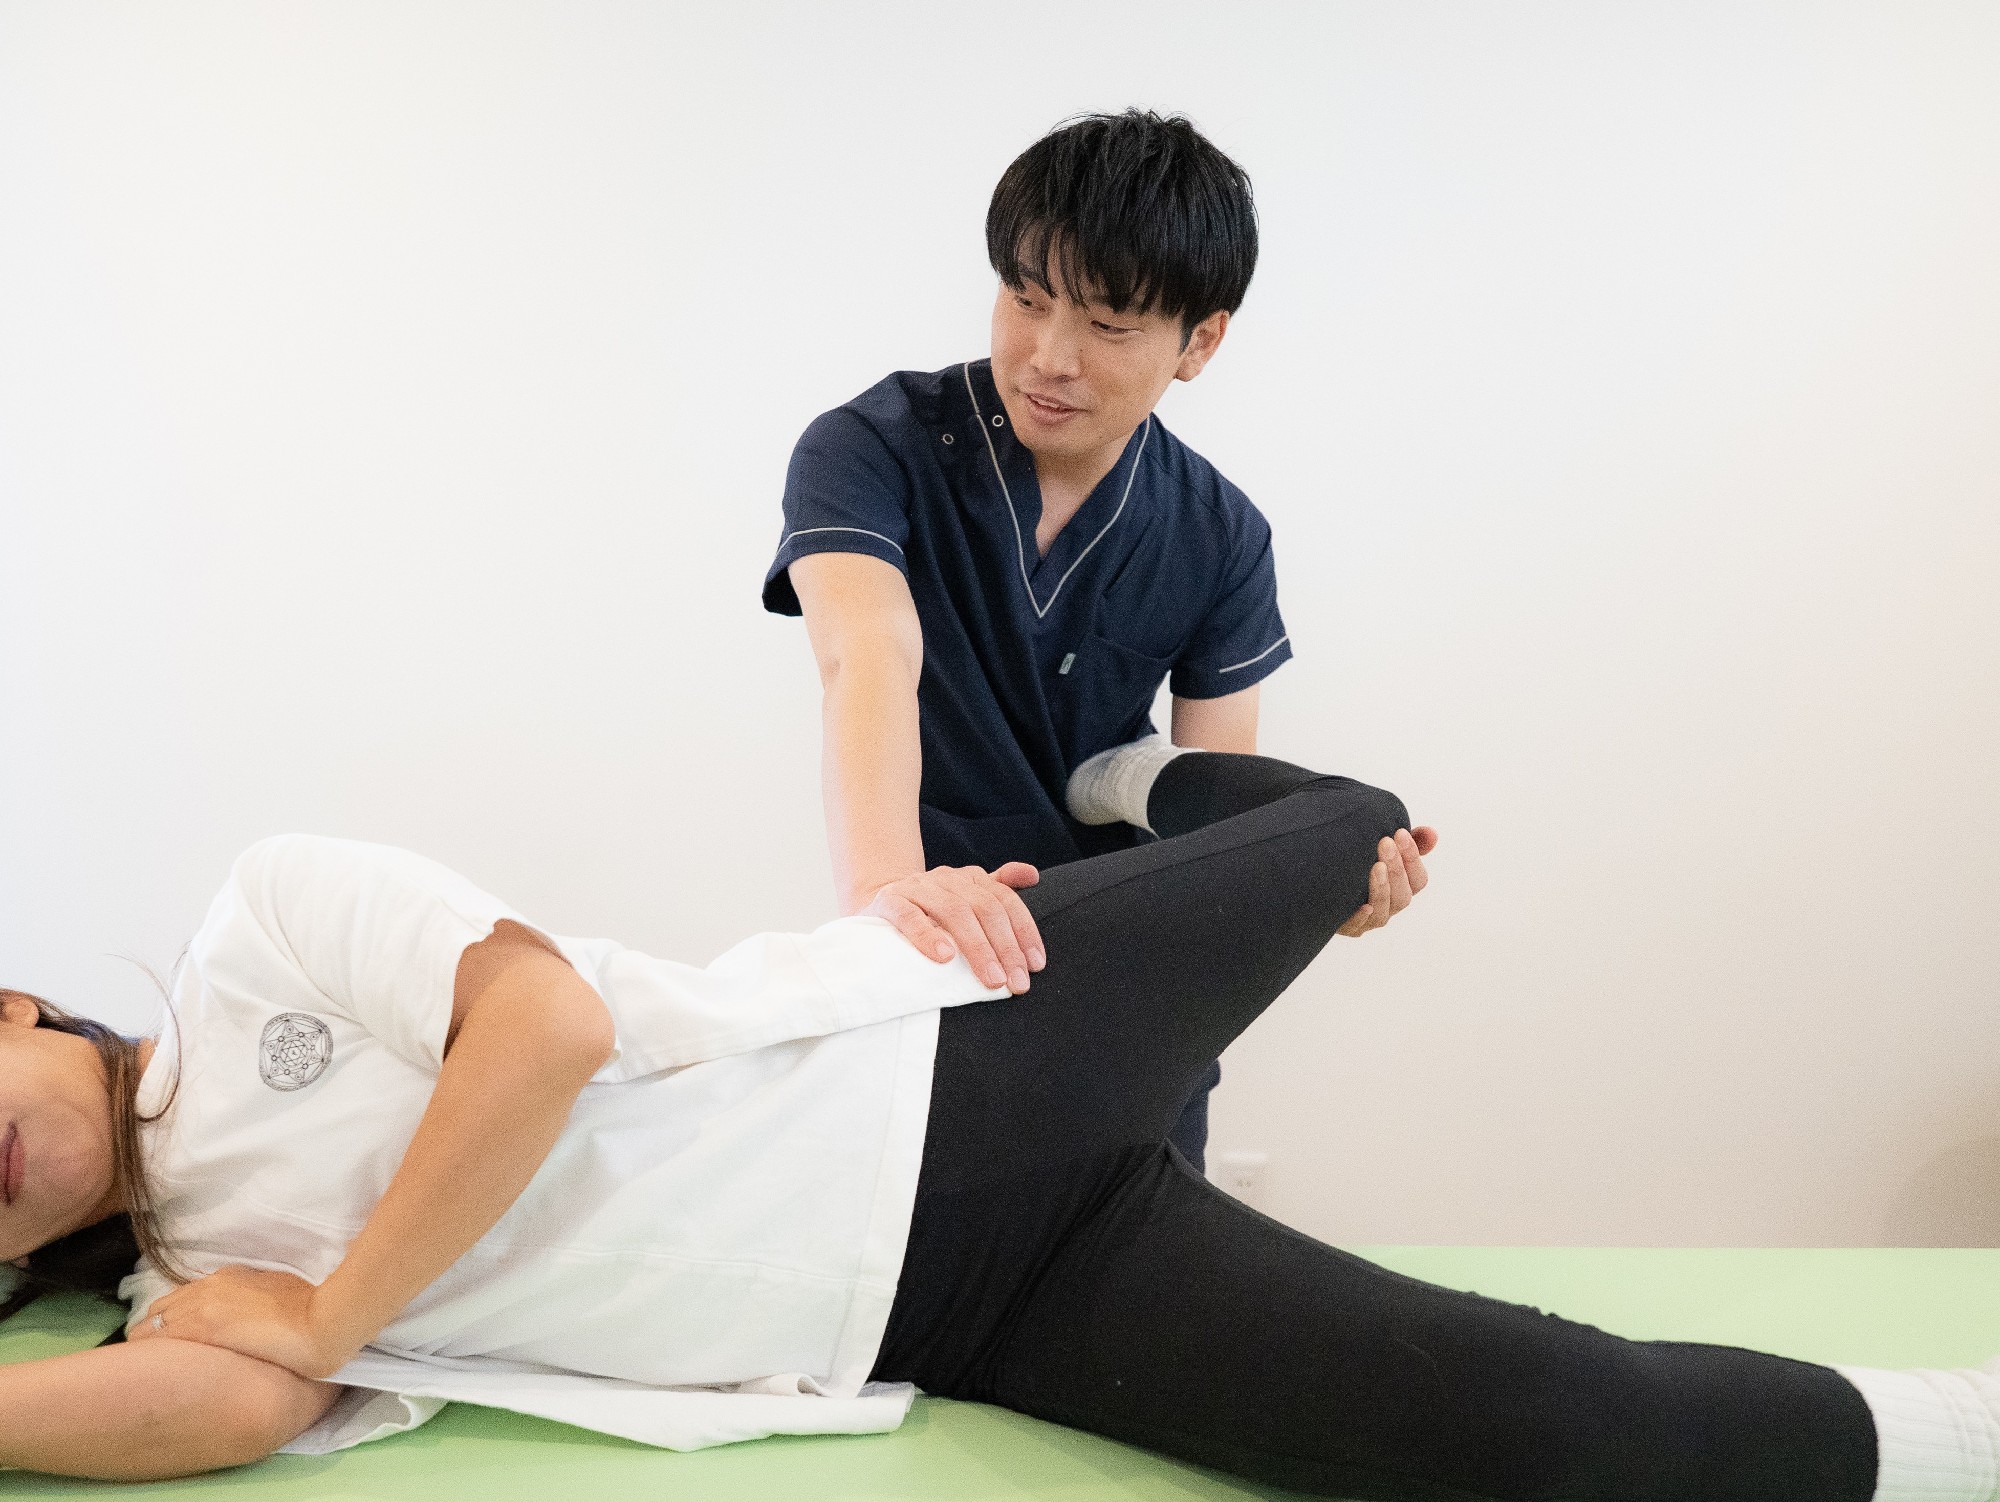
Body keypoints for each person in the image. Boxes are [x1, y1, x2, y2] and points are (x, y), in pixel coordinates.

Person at [0, 755, 1989, 1500]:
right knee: (1557, 1431)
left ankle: (1121, 774)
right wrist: (274, 1329)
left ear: (15, 1007)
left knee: (1352, 835)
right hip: (969, 1303)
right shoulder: (179, 1297)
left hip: (954, 1048)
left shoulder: (262, 923)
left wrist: (333, 1305)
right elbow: (236, 1409)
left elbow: (541, 1025)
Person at [763, 108, 1436, 1170]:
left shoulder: (1219, 533)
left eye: (1110, 325)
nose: (1048, 357)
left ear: (1198, 342)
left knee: (1354, 824)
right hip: (936, 954)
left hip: (1131, 995)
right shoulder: (871, 450)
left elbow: (1208, 805)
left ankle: (1138, 789)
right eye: (1026, 299)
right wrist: (889, 892)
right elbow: (867, 653)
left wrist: (1309, 887)